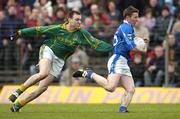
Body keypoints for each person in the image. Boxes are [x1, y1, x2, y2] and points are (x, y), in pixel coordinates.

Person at [8, 10, 113, 112]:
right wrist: (20, 32)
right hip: (49, 50)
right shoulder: (58, 28)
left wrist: (113, 48)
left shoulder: (82, 33)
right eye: (77, 20)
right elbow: (38, 29)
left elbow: (96, 43)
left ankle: (18, 105)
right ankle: (18, 91)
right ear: (69, 20)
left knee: (43, 87)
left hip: (60, 60)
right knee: (43, 73)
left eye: (80, 20)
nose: (79, 22)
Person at [73, 6, 149, 112]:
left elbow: (132, 41)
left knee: (131, 89)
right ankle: (89, 73)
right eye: (135, 17)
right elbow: (131, 47)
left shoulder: (129, 27)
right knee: (110, 87)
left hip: (123, 61)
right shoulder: (125, 27)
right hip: (117, 59)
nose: (137, 19)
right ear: (127, 17)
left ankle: (123, 109)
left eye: (137, 17)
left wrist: (141, 41)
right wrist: (143, 50)